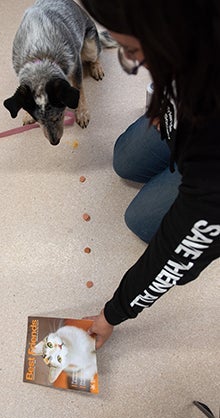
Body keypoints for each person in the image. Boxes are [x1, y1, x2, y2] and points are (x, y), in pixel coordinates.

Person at [81, 0, 220, 349]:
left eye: (130, 49)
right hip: (190, 109)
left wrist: (112, 314)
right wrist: (165, 99)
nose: (131, 60)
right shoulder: (194, 28)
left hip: (207, 158)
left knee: (141, 221)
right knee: (124, 159)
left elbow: (175, 254)